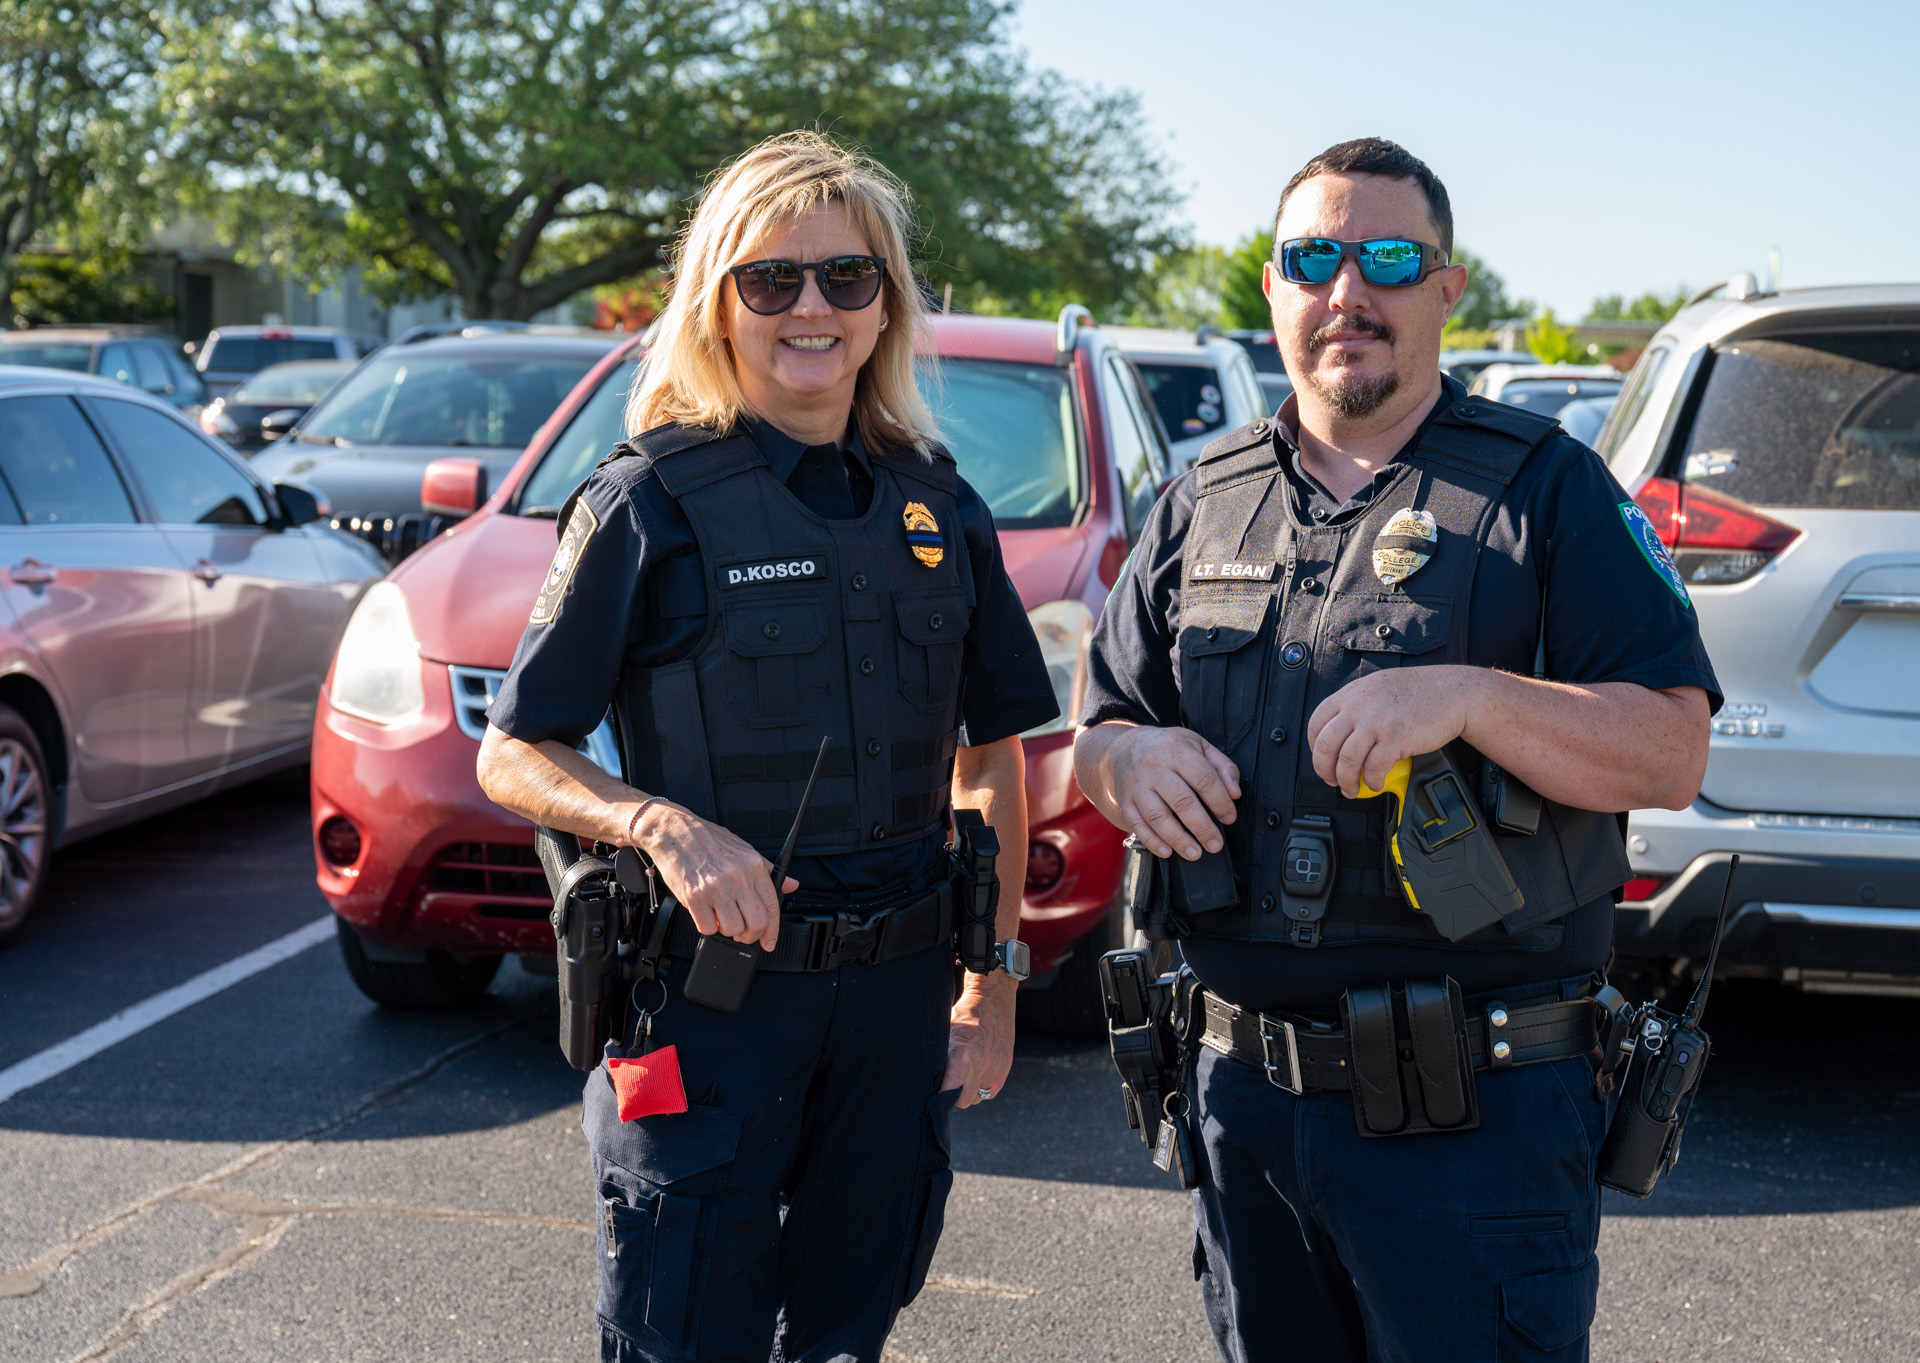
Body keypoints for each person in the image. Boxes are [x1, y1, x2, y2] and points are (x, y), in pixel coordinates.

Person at [1073, 138, 1721, 1362]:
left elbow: (1668, 749)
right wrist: (1128, 763)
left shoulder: (1548, 491)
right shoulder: (1197, 499)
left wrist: (1473, 696)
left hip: (1474, 1122)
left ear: (1445, 288)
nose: (1345, 294)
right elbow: (1095, 730)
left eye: (1386, 258)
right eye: (1312, 258)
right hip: (1240, 1107)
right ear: (1270, 286)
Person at [476, 131, 1057, 1363]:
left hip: (895, 1011)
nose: (811, 308)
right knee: (683, 1331)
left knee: (850, 1328)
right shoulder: (644, 503)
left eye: (848, 279)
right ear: (716, 302)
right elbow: (514, 748)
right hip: (711, 1006)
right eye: (771, 279)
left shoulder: (939, 505)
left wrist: (990, 982)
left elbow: (991, 759)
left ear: (885, 305)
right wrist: (660, 825)